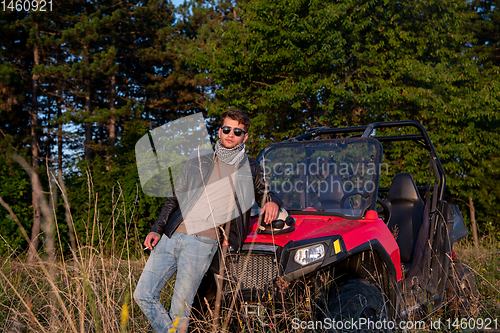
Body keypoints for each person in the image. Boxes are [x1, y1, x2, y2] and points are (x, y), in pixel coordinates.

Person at [134, 110, 282, 333]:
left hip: (203, 242)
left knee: (180, 309)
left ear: (245, 137)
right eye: (227, 129)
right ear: (220, 131)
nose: (230, 134)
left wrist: (271, 202)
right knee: (143, 294)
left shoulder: (250, 168)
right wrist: (157, 229)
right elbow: (174, 197)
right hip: (172, 235)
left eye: (237, 131)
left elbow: (265, 192)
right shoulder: (198, 159)